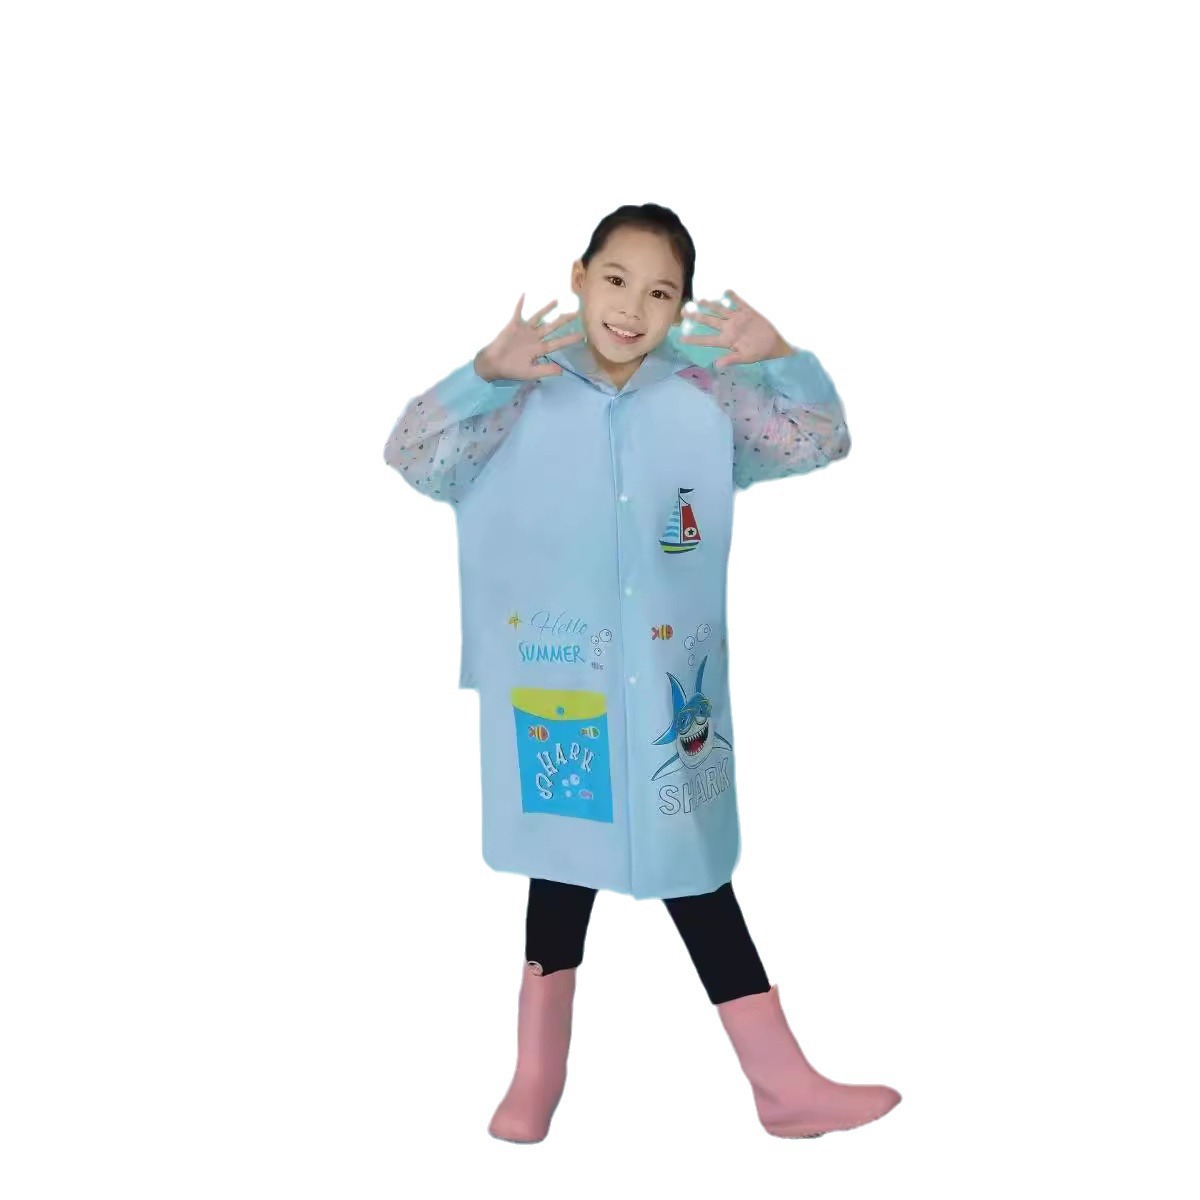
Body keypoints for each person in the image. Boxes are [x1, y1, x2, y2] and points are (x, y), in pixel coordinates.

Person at [383, 203, 901, 1143]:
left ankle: (783, 1087)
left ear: (682, 307)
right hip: (560, 685)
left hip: (670, 693)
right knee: (558, 868)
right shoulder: (521, 390)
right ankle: (536, 1077)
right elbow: (413, 456)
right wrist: (481, 373)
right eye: (616, 280)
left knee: (693, 867)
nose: (632, 308)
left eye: (661, 293)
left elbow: (820, 438)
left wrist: (782, 358)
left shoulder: (705, 393)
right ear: (579, 277)